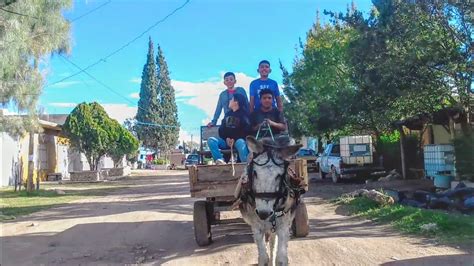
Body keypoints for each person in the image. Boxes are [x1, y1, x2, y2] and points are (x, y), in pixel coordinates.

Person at [208, 93, 251, 164]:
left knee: (241, 142)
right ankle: (220, 161)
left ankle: (246, 164)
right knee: (211, 140)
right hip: (226, 141)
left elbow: (246, 131)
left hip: (237, 141)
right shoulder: (227, 114)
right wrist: (226, 138)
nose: (229, 101)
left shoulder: (244, 115)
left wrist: (234, 139)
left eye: (231, 99)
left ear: (236, 102)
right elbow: (221, 130)